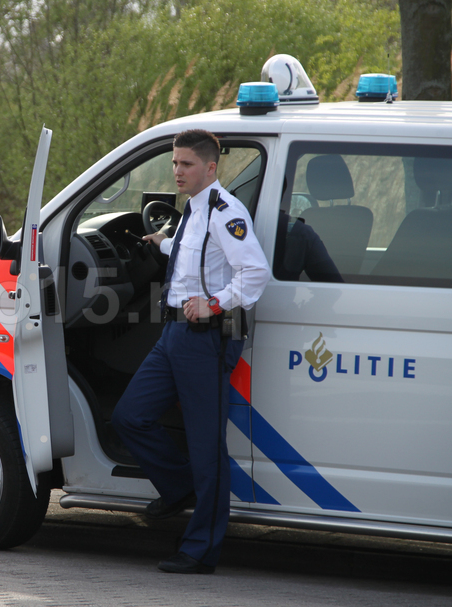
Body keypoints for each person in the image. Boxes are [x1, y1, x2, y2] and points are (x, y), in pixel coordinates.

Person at [111, 129, 270, 574]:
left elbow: (255, 273)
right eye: (175, 163)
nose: (177, 171)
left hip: (207, 337)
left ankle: (200, 550)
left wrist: (216, 303)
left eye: (187, 164)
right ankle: (180, 487)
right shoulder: (192, 212)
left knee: (206, 448)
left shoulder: (224, 211)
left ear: (211, 168)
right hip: (175, 336)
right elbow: (191, 257)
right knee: (130, 415)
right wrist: (159, 243)